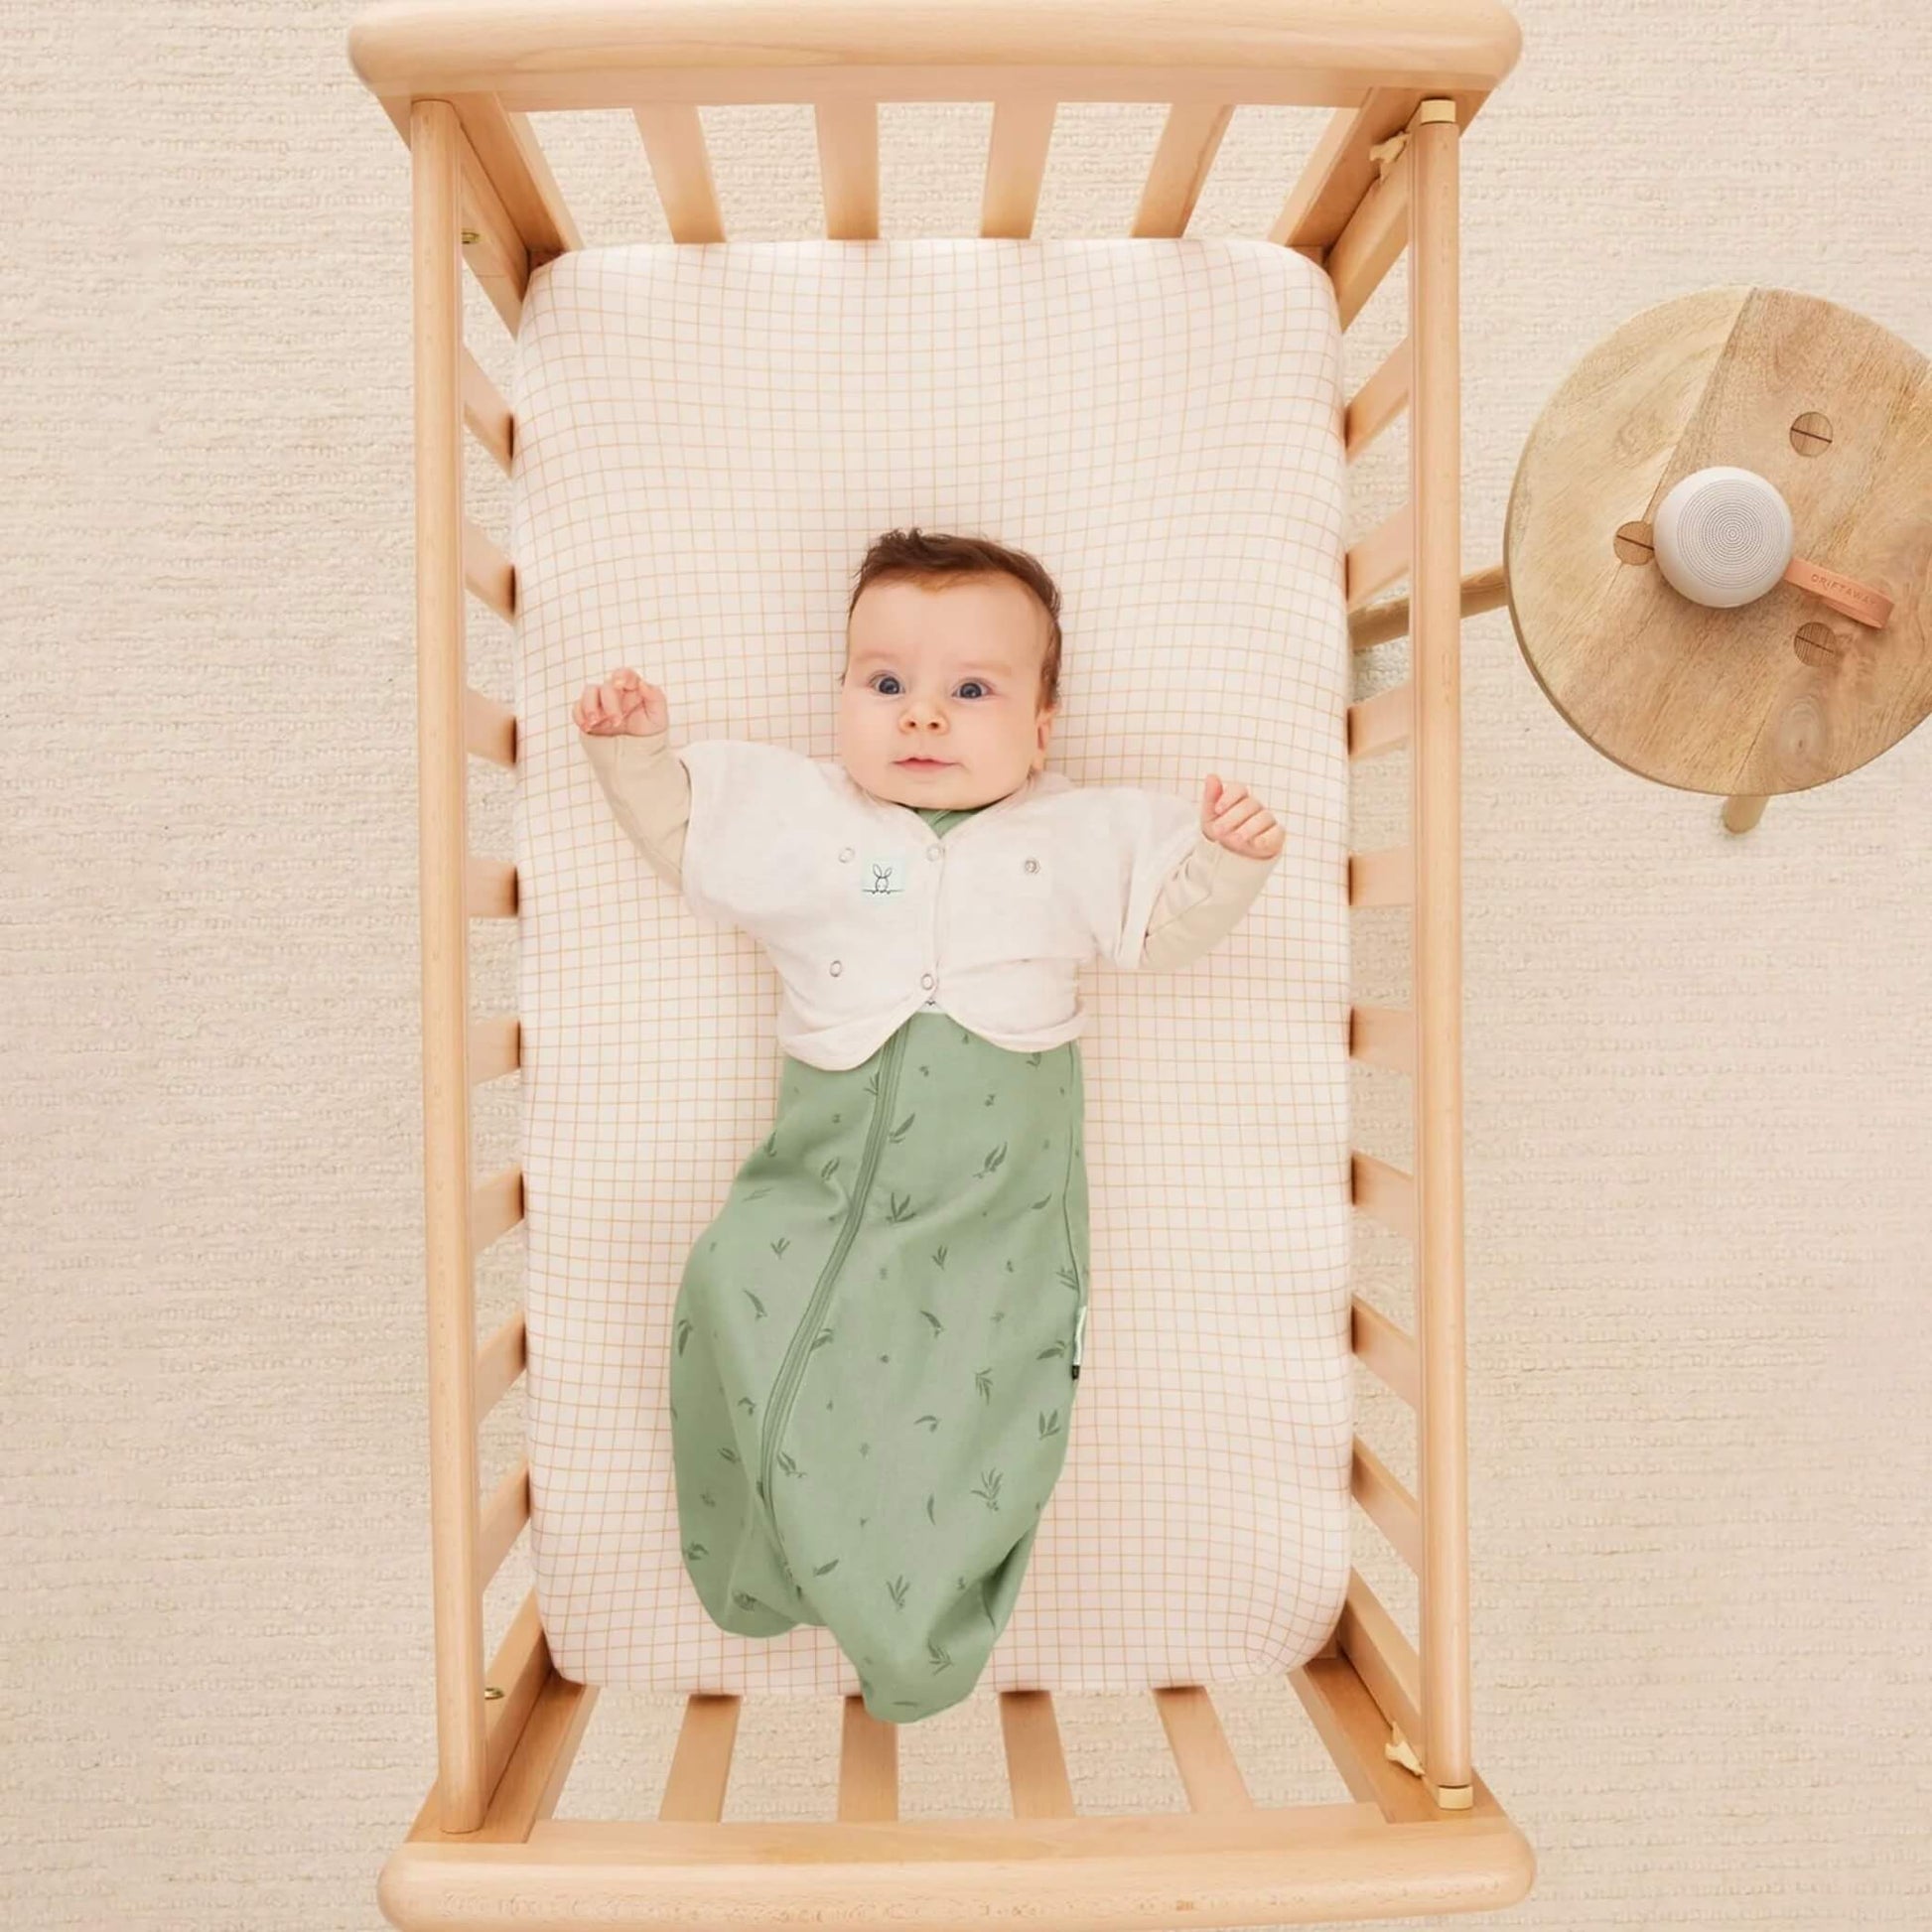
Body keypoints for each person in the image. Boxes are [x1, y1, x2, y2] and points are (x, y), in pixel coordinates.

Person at [575, 527, 1283, 1723]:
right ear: (840, 696)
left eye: (971, 690)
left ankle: (919, 1624)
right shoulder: (804, 818)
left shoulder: (1076, 833)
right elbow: (686, 836)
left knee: (977, 1377)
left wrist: (1224, 861)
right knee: (732, 1285)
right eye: (885, 682)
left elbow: (1161, 929)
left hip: (996, 1195)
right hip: (821, 1164)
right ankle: (756, 1552)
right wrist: (634, 752)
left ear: (1043, 727)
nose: (923, 717)